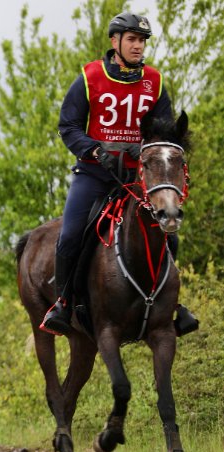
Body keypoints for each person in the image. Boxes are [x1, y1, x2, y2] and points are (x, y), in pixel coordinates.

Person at [40, 13, 199, 336]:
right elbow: (67, 126)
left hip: (138, 179)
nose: (138, 46)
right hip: (94, 174)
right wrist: (96, 150)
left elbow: (164, 133)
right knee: (71, 233)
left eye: (141, 41)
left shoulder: (154, 82)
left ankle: (171, 307)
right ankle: (63, 303)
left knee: (169, 233)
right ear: (115, 42)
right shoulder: (89, 76)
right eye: (132, 40)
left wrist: (148, 156)